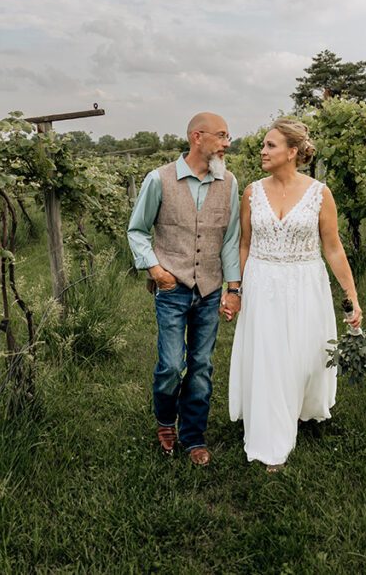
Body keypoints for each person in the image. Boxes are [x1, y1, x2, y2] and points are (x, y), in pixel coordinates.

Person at [228, 118, 362, 471]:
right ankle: (271, 440)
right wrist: (236, 289)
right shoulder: (251, 192)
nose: (263, 151)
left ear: (292, 151)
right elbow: (244, 244)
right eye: (264, 145)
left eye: (270, 145)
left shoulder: (320, 193)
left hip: (305, 284)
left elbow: (333, 247)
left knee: (302, 357)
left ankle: (299, 408)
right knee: (270, 358)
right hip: (262, 283)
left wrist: (351, 295)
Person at [127, 112, 242, 466]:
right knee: (171, 365)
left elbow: (230, 239)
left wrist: (233, 288)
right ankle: (165, 421)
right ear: (197, 137)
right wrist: (155, 269)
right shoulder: (159, 179)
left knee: (202, 365)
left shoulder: (229, 182)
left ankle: (193, 436)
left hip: (209, 289)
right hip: (172, 288)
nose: (226, 143)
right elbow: (137, 230)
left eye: (227, 136)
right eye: (221, 136)